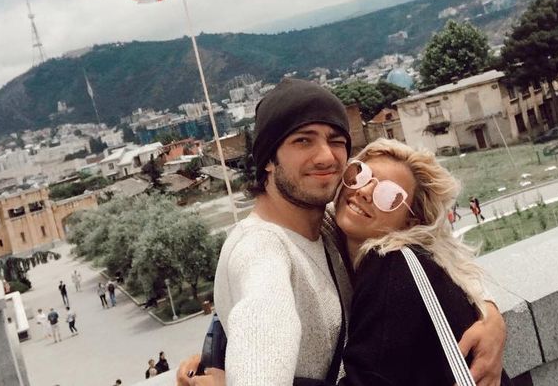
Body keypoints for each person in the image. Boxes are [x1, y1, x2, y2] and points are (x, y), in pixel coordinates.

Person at [178, 79, 506, 386]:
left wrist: (490, 314)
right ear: (268, 159)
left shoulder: (332, 223)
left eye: (336, 141)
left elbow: (434, 245)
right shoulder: (262, 251)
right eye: (303, 140)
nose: (325, 156)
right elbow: (260, 322)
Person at [332, 139, 512, 385]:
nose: (364, 191)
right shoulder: (416, 260)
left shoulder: (389, 267)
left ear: (410, 221)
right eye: (359, 174)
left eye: (388, 194)